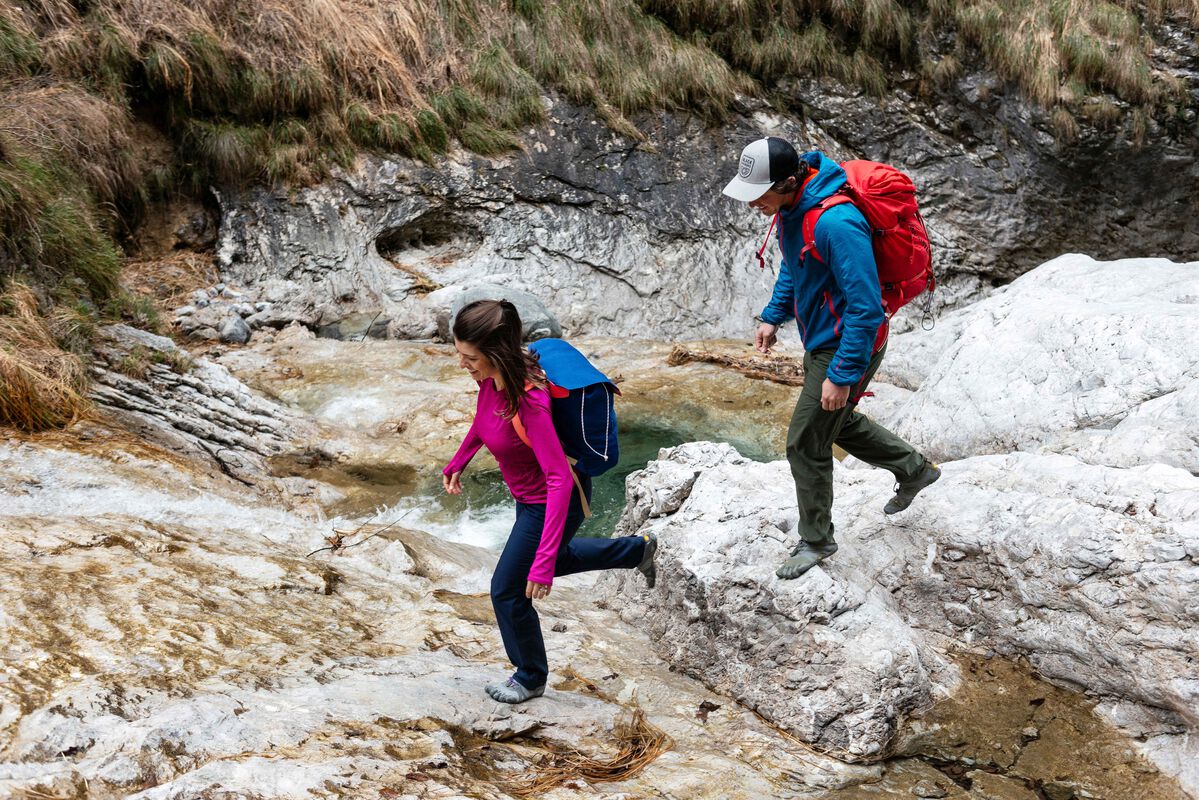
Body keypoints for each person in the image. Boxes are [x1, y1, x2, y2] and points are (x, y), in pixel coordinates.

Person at [722, 137, 940, 580]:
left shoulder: (836, 223)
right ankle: (914, 470)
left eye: (758, 194)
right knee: (835, 421)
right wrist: (772, 316)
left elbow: (865, 307)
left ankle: (817, 539)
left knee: (805, 441)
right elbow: (795, 267)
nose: (752, 205)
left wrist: (841, 374)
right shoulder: (792, 210)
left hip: (846, 343)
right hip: (823, 338)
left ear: (787, 182)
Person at [442, 299, 657, 703]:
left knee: (508, 590)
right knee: (553, 559)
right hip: (528, 498)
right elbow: (484, 420)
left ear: (494, 352)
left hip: (553, 501)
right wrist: (460, 459)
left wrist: (540, 569)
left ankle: (529, 677)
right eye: (459, 354)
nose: (462, 364)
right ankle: (637, 551)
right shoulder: (490, 380)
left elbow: (559, 478)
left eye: (469, 357)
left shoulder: (532, 402)